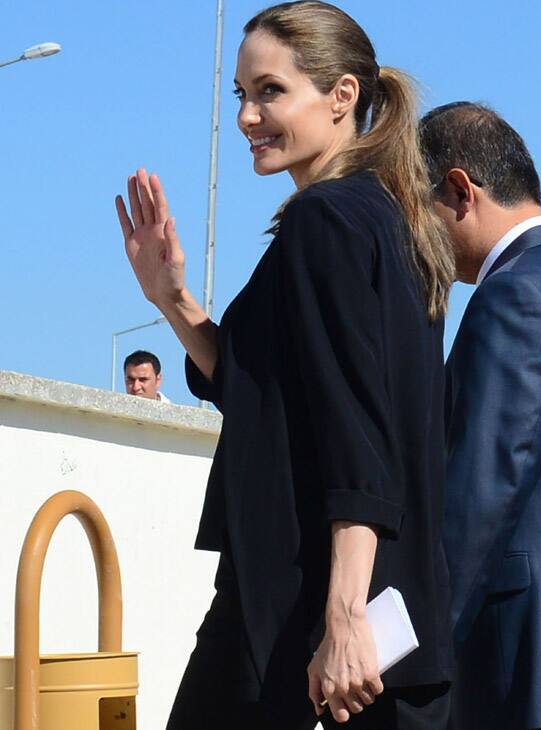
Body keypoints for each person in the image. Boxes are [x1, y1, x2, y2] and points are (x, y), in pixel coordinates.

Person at [116, 2, 454, 727]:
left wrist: (342, 620)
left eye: (270, 91)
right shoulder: (386, 217)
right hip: (373, 626)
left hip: (309, 627)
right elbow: (256, 387)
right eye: (242, 94)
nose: (246, 116)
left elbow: (357, 437)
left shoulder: (324, 221)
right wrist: (171, 298)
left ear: (342, 97)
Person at [420, 102, 541, 730]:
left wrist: (414, 651)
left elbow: (482, 492)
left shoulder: (515, 292)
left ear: (460, 190)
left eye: (420, 211)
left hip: (534, 655)